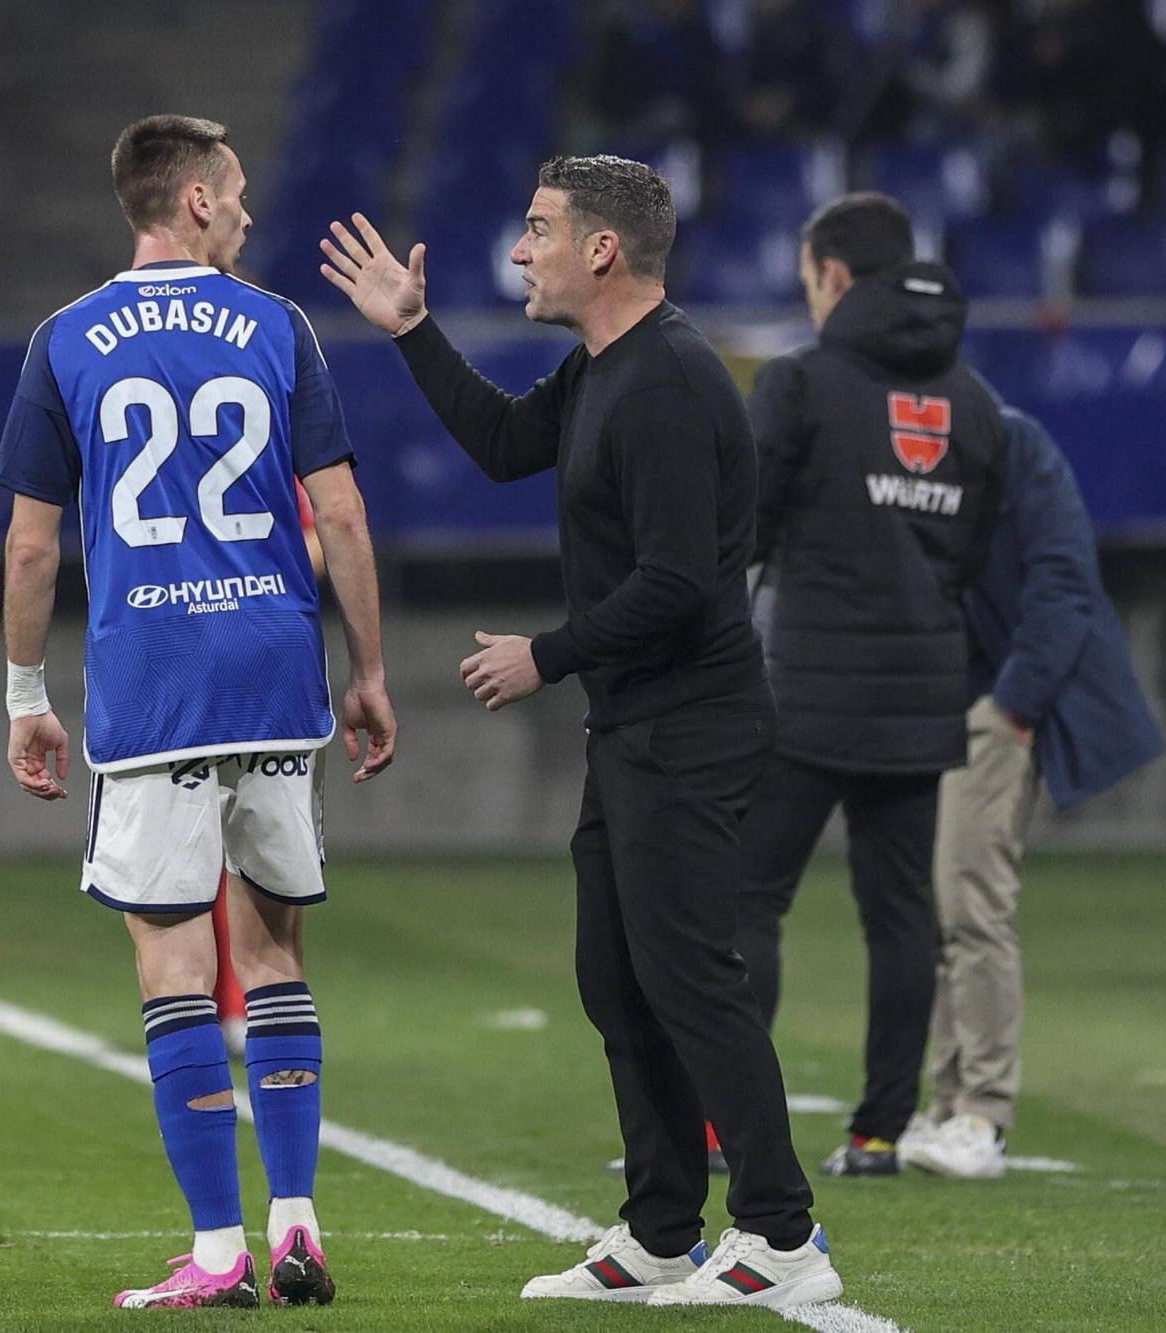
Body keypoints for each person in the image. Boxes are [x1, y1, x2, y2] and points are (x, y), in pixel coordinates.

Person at [320, 155, 839, 1309]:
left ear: (599, 250)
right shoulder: (603, 366)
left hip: (690, 726)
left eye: (538, 229)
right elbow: (504, 445)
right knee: (617, 975)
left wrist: (542, 654)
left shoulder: (663, 385)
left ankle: (780, 1237)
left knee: (689, 979)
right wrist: (411, 332)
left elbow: (682, 588)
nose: (520, 250)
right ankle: (659, 1229)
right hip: (638, 725)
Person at [0, 114, 396, 1311]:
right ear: (198, 203)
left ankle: (218, 1253)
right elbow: (343, 516)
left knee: (175, 964)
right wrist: (367, 671)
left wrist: (26, 695)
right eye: (238, 192)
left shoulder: (64, 339)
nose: (252, 213)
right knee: (272, 951)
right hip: (276, 674)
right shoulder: (277, 326)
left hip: (153, 684)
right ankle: (298, 1224)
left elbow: (29, 545)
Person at [736, 192, 1006, 1177]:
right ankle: (877, 1132)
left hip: (801, 689)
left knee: (742, 901)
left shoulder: (801, 383)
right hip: (920, 696)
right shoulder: (973, 403)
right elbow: (972, 555)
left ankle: (728, 1130)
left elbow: (746, 530)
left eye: (808, 280)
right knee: (898, 917)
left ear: (834, 278)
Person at [900, 405, 1164, 1178]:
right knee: (943, 900)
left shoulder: (1007, 438)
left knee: (972, 897)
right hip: (942, 698)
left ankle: (981, 1111)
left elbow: (1063, 578)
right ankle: (950, 1102)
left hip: (994, 700)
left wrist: (1017, 700)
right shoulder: (907, 430)